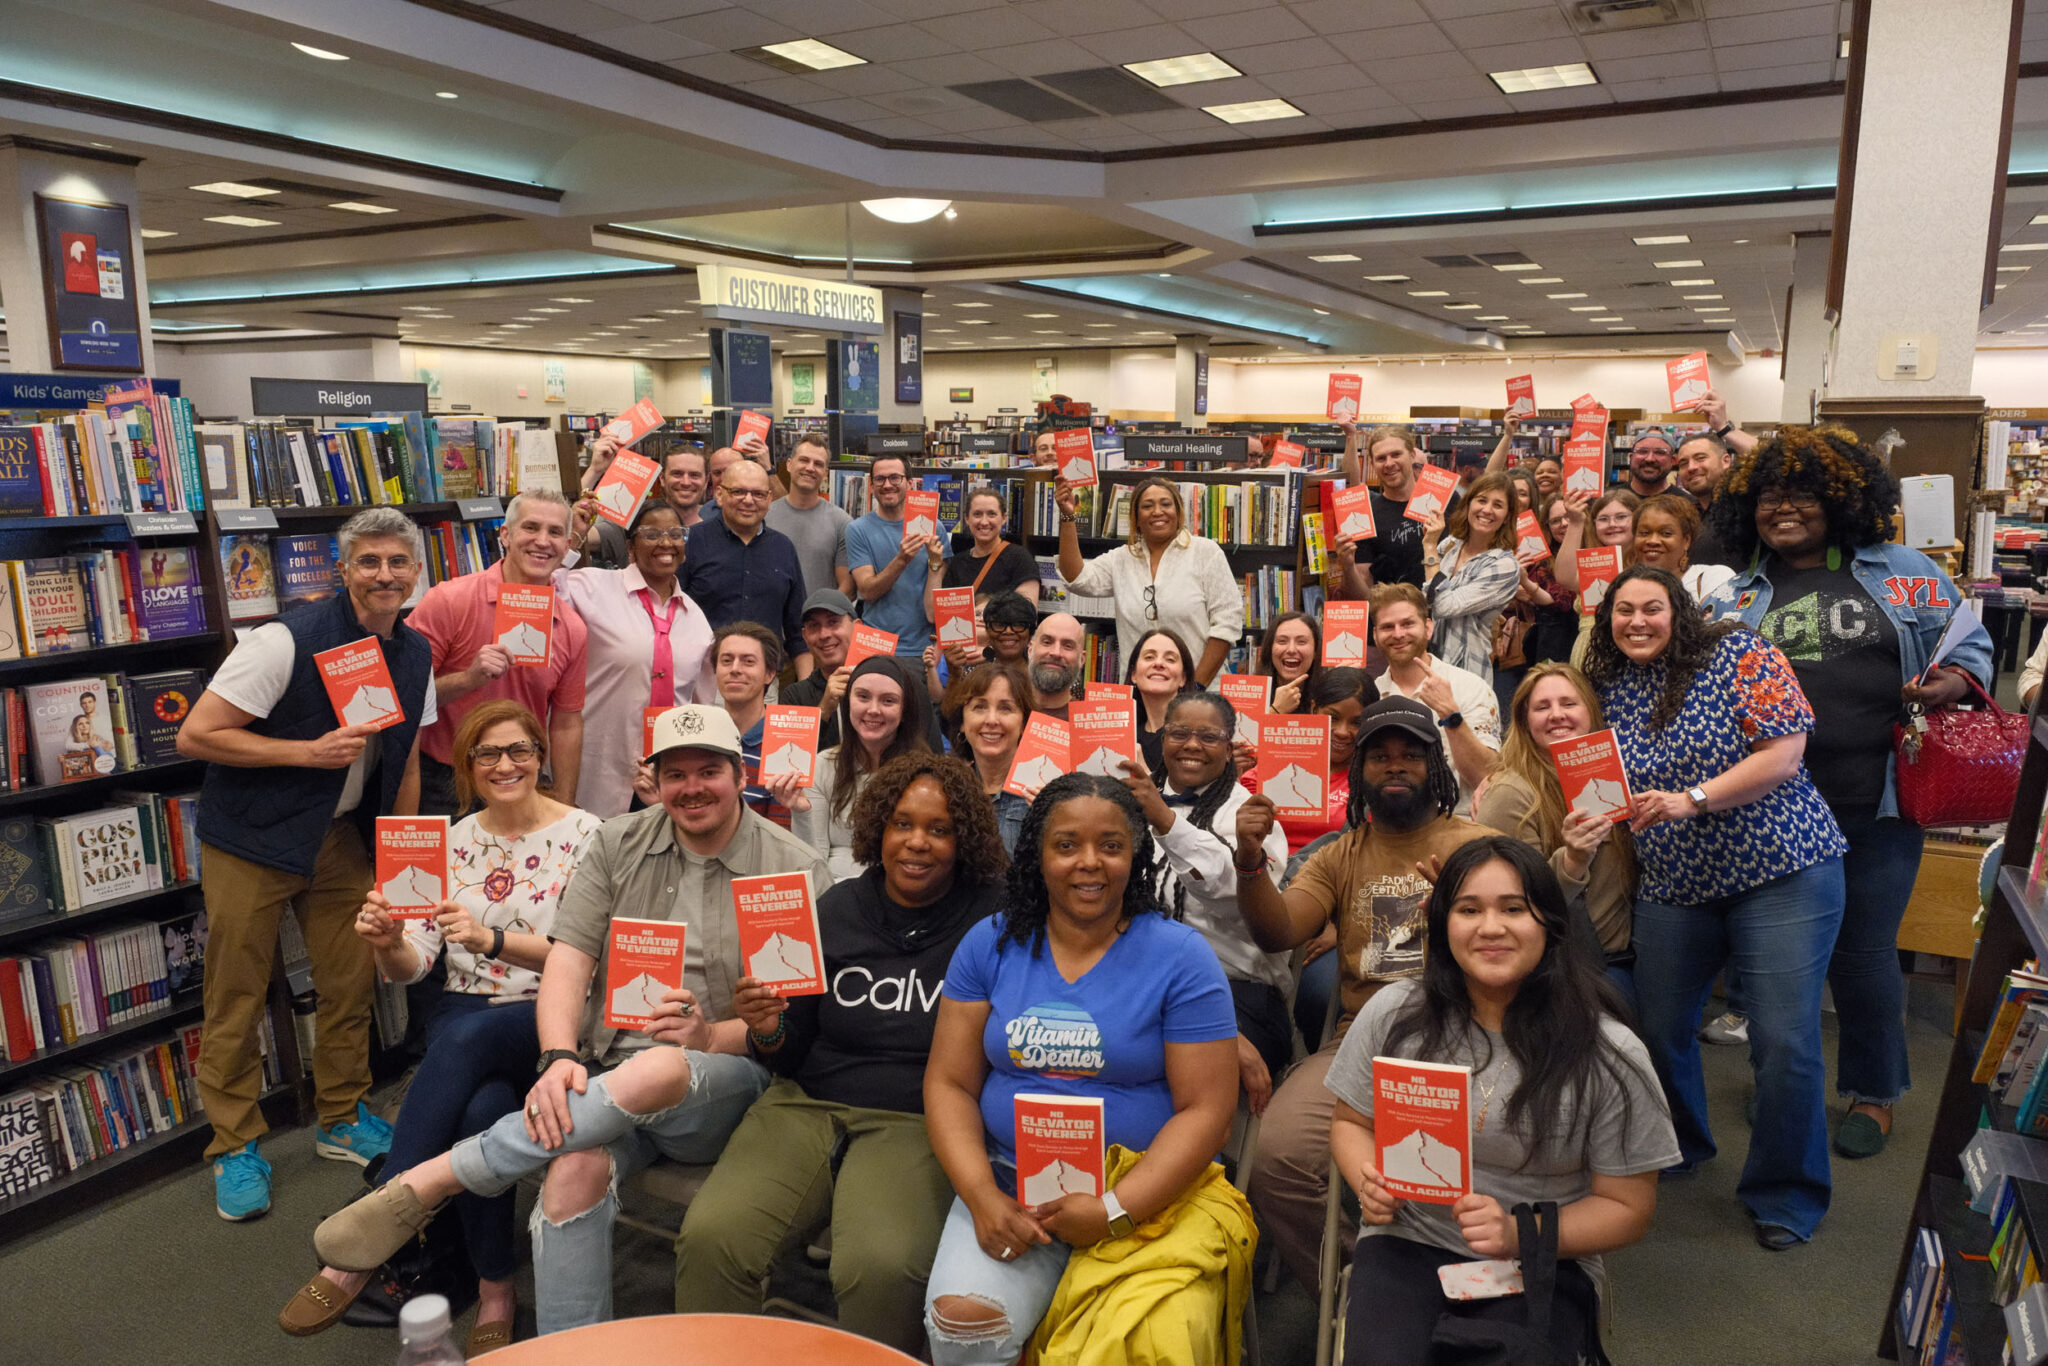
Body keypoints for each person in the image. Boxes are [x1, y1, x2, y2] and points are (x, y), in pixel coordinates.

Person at [309, 705, 832, 1335]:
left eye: (709, 771)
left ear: (736, 773)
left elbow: (792, 1029)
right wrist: (558, 1056)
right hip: (608, 1072)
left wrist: (709, 1035)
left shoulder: (795, 868)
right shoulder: (616, 843)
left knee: (664, 1062)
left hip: (725, 1085)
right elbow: (570, 959)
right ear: (657, 779)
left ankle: (433, 1179)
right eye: (675, 774)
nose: (692, 788)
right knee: (569, 1175)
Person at [1705, 426, 1994, 1158]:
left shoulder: (1900, 569)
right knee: (1776, 962)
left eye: (1802, 494)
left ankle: (1874, 1092)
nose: (1783, 509)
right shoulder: (1740, 589)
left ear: (1842, 498)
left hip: (1876, 802)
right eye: (1769, 497)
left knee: (1863, 956)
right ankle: (1786, 1084)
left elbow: (1970, 644)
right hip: (1769, 812)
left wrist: (1950, 683)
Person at [278, 701, 602, 1348]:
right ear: (467, 767)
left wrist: (491, 941)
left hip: (552, 1015)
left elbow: (590, 955)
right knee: (479, 1112)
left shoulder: (590, 835)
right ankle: (495, 1290)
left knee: (464, 1036)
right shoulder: (444, 843)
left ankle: (368, 1239)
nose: (505, 765)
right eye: (487, 754)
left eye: (518, 751)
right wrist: (387, 940)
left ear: (542, 756)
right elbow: (413, 967)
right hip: (463, 1015)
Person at [674, 752, 1006, 1353]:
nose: (917, 843)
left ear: (966, 840)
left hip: (920, 1116)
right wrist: (769, 1027)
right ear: (878, 827)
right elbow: (785, 1049)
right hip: (804, 1101)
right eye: (902, 823)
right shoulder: (834, 908)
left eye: (940, 829)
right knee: (713, 1236)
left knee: (882, 1266)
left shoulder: (996, 918)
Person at [921, 774, 1247, 1365]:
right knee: (963, 1324)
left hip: (1148, 1197)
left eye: (1112, 846)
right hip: (1010, 1186)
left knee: (1149, 1346)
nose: (1088, 863)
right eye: (1066, 844)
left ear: (1136, 855)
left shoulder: (1182, 957)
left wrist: (1112, 1211)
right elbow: (948, 1084)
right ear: (1038, 856)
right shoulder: (988, 944)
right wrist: (981, 1198)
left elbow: (1208, 1112)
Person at [176, 507, 435, 1221]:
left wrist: (398, 856)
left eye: (397, 562)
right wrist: (303, 751)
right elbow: (196, 735)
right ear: (341, 570)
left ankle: (342, 1115)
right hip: (252, 840)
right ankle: (234, 1144)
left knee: (349, 979)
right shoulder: (281, 642)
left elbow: (406, 755)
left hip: (340, 839)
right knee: (237, 990)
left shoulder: (414, 656)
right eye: (369, 561)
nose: (384, 574)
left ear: (416, 571)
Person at [1329, 838, 1679, 1366]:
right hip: (1410, 1239)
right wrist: (1367, 1178)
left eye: (1514, 909)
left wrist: (1519, 1232)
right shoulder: (1395, 1013)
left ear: (1550, 922)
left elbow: (1628, 1210)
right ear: (1444, 924)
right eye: (1469, 910)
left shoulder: (1609, 1051)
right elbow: (1350, 1122)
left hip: (1543, 1258)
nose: (1490, 928)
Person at [1586, 565, 1847, 1249]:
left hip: (1782, 867)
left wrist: (1692, 798)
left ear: (1680, 611)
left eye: (1652, 608)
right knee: (1658, 1025)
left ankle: (1785, 1195)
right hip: (1676, 882)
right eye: (1623, 611)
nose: (1637, 621)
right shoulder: (1607, 684)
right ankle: (1678, 1145)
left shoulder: (1740, 651)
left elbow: (1784, 756)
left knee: (1785, 1041)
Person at [1235, 697, 1495, 1295]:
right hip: (1363, 1043)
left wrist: (1461, 910)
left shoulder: (1478, 845)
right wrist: (1250, 865)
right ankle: (1362, 1288)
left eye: (1410, 755)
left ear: (1435, 766)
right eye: (1380, 757)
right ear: (1361, 773)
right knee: (1277, 1161)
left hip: (1472, 1036)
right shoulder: (1339, 854)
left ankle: (1475, 1291)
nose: (1395, 766)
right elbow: (1278, 930)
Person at [1123, 691, 1291, 1112]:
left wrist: (1163, 818)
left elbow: (1229, 888)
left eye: (1209, 736)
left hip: (1236, 992)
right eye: (1179, 733)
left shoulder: (1251, 815)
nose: (1192, 745)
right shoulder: (1127, 806)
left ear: (1230, 745)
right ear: (1162, 739)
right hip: (1137, 981)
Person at [408, 488, 587, 812]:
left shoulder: (571, 626)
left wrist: (564, 805)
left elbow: (566, 722)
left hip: (521, 777)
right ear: (505, 535)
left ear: (567, 545)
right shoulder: (448, 600)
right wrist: (468, 679)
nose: (543, 541)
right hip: (443, 781)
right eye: (531, 528)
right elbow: (402, 699)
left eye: (555, 532)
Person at [558, 498, 716, 818]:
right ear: (630, 547)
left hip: (664, 783)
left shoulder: (697, 622)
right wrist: (573, 537)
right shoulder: (592, 586)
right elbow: (537, 593)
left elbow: (702, 707)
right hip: (595, 775)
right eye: (652, 534)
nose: (666, 542)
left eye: (675, 533)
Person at [1475, 663, 1638, 971]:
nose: (1556, 715)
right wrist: (1572, 860)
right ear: (1525, 721)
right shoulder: (1510, 793)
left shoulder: (1618, 774)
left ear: (1590, 711)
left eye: (1568, 703)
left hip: (1631, 954)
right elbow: (1509, 901)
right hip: (1563, 966)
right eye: (1541, 707)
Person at [1056, 476, 1243, 686]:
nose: (1157, 512)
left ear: (1178, 511)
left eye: (1166, 504)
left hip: (1201, 694)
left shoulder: (1205, 553)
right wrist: (1067, 517)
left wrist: (1195, 687)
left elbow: (1227, 624)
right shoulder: (1121, 559)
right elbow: (1077, 579)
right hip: (1142, 692)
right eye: (1147, 506)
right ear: (1136, 517)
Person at [792, 656, 933, 881]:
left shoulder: (925, 773)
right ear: (848, 702)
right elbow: (812, 861)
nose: (873, 710)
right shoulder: (823, 764)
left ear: (905, 710)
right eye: (863, 697)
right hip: (833, 894)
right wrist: (801, 812)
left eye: (888, 701)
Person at [1370, 583, 1502, 811]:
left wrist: (1450, 715)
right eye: (1387, 627)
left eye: (1408, 624)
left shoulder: (1470, 687)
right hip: (1389, 827)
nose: (1398, 634)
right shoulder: (1370, 695)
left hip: (1458, 822)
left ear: (1428, 628)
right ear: (1375, 635)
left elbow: (1486, 777)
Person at [674, 458, 811, 676]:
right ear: (719, 494)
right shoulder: (691, 542)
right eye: (738, 492)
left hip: (765, 681)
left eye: (757, 494)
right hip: (701, 677)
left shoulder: (784, 548)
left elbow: (797, 632)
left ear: (769, 499)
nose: (748, 500)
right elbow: (670, 616)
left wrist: (807, 693)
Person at [1419, 470, 1521, 683]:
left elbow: (1444, 606)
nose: (1487, 510)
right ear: (1468, 505)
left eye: (1498, 505)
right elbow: (1427, 598)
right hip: (1430, 662)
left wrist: (1429, 546)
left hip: (1466, 670)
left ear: (1507, 517)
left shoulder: (1504, 565)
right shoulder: (1450, 545)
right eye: (1481, 500)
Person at [846, 454, 948, 658]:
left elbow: (934, 606)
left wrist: (935, 562)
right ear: (872, 485)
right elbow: (867, 591)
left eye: (895, 478)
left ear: (909, 483)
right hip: (875, 647)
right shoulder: (857, 530)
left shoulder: (934, 527)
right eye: (880, 479)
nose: (887, 485)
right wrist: (902, 559)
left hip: (923, 649)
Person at [707, 622, 802, 830]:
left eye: (748, 661)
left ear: (769, 674)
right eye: (726, 660)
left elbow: (782, 834)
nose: (734, 669)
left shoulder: (787, 740)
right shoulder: (701, 734)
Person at [1271, 666, 1371, 856]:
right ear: (1313, 709)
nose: (1342, 732)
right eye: (1333, 718)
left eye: (1356, 723)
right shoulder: (1279, 763)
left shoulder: (1371, 779)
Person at [942, 661, 1034, 853]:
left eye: (1005, 708)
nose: (991, 720)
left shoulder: (1042, 790)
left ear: (1024, 723)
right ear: (962, 722)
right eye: (980, 707)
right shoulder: (948, 791)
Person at [579, 440, 710, 568]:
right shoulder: (636, 522)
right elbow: (572, 535)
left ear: (706, 481)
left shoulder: (719, 526)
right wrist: (594, 471)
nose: (686, 482)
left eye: (694, 475)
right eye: (677, 474)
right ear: (662, 479)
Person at [1552, 487, 1641, 667]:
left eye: (1622, 517)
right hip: (1590, 652)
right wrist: (1576, 523)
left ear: (1638, 519)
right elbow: (1564, 577)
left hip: (1634, 651)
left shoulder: (1650, 563)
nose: (1612, 524)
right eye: (1603, 519)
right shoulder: (1593, 563)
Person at [1336, 423, 1429, 592]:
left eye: (1396, 454)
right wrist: (1348, 567)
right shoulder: (1366, 515)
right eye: (1381, 458)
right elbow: (1365, 592)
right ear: (1371, 463)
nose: (1389, 463)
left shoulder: (1443, 501)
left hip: (1444, 613)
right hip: (1391, 615)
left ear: (1412, 455)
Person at [766, 434, 854, 603]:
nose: (810, 468)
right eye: (804, 460)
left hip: (818, 624)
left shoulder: (841, 522)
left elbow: (848, 588)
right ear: (789, 465)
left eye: (818, 464)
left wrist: (817, 618)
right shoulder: (765, 516)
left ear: (826, 474)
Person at [931, 484, 1040, 611]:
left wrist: (986, 609)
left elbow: (1028, 613)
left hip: (1000, 631)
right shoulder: (957, 563)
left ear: (1004, 518)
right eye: (977, 514)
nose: (984, 522)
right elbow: (942, 613)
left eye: (991, 514)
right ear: (967, 518)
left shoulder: (1020, 558)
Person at [1127, 627, 1196, 772]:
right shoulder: (1124, 734)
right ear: (1134, 674)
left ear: (1183, 678)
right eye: (1149, 657)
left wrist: (1144, 775)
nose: (1158, 664)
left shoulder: (1195, 737)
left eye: (1170, 659)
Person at [1256, 610, 1328, 715]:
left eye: (1301, 642)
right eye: (1282, 641)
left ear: (1315, 652)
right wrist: (1276, 710)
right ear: (1269, 649)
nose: (1291, 650)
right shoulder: (1250, 694)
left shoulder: (1326, 695)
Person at [1025, 612, 1086, 720]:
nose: (1056, 653)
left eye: (1067, 646)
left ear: (1082, 659)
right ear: (1030, 650)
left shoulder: (1085, 723)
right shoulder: (1006, 711)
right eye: (1047, 642)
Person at [981, 590, 1036, 670]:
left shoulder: (1041, 674)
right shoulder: (974, 673)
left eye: (1017, 624)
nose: (1008, 631)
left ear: (1030, 631)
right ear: (987, 630)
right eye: (999, 625)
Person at [1622, 427, 1678, 499]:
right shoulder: (1610, 501)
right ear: (1631, 457)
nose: (1649, 459)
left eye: (1659, 452)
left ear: (1672, 461)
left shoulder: (1686, 505)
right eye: (1643, 451)